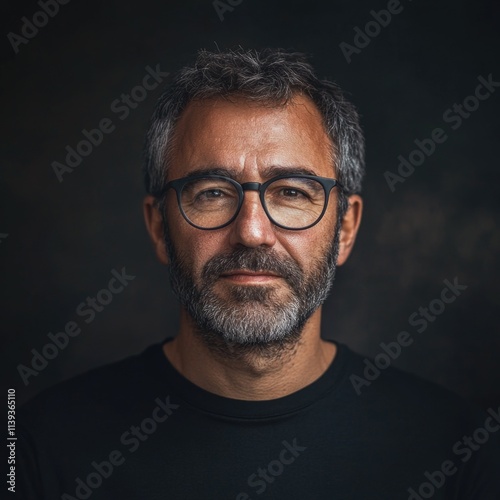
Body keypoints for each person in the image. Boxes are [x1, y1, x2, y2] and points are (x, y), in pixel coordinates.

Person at [18, 48, 500, 500]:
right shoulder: (37, 444)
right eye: (211, 192)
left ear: (346, 228)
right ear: (159, 227)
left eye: (291, 192)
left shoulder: (459, 450)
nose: (251, 232)